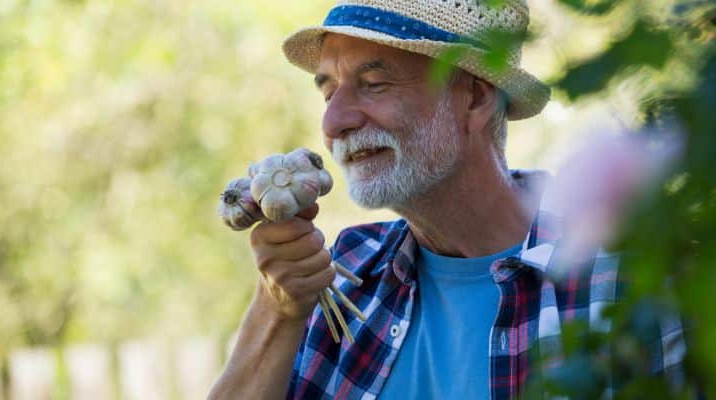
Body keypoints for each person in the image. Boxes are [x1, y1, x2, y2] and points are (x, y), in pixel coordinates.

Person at [208, 1, 686, 399]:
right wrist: (279, 308)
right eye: (329, 90)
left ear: (476, 98)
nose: (334, 123)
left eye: (374, 84)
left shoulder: (632, 274)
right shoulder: (345, 276)